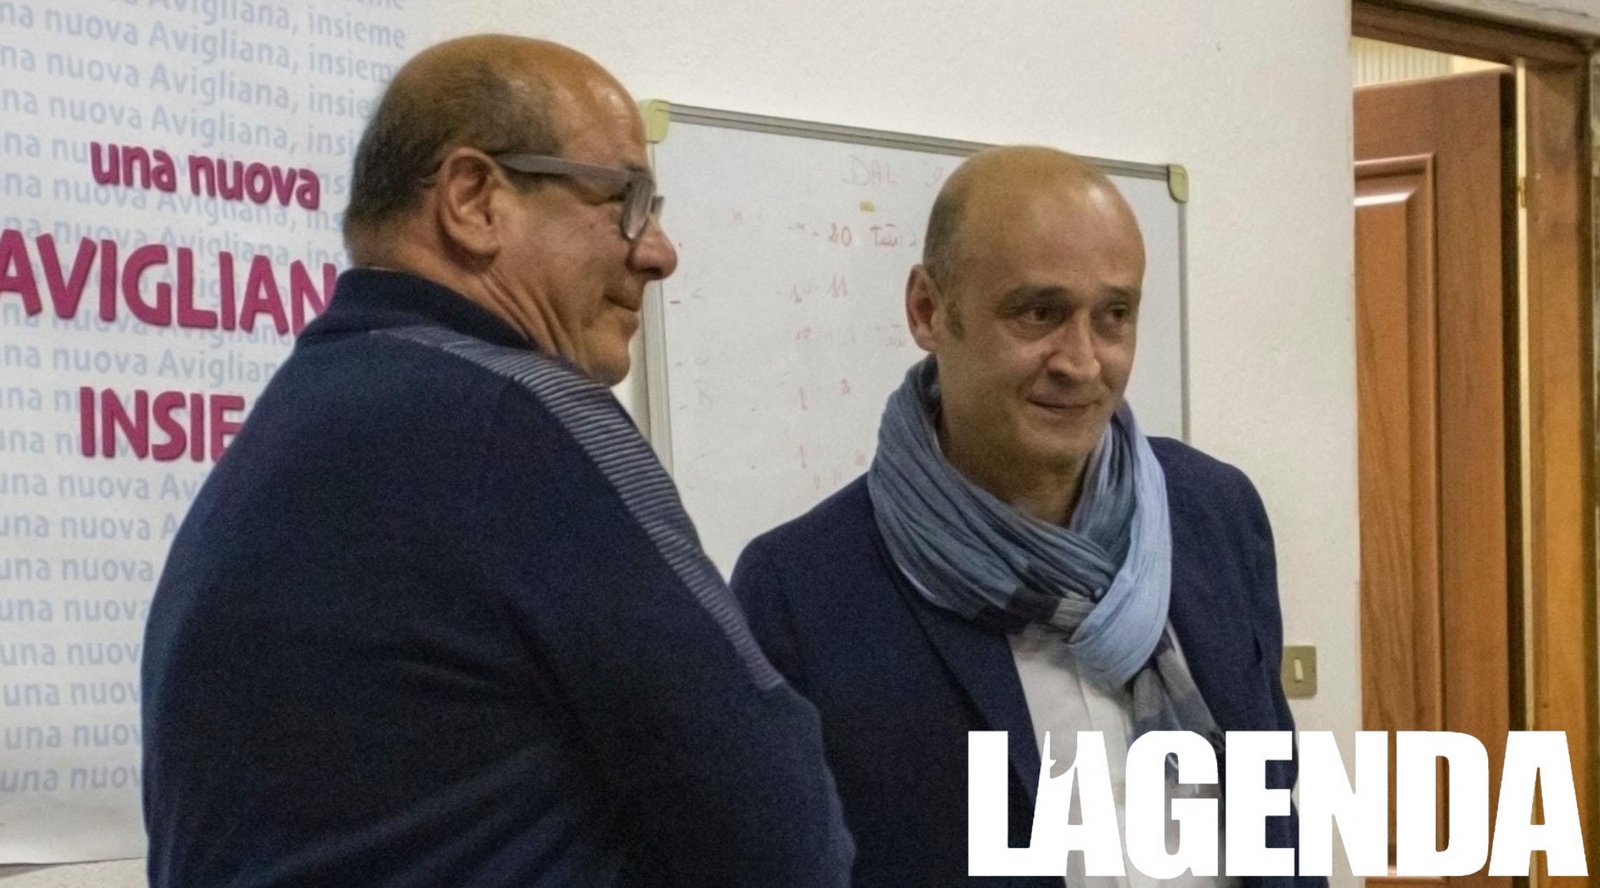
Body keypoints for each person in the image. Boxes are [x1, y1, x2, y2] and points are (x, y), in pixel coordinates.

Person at [141, 34, 851, 888]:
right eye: (625, 199)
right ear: (474, 200)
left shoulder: (288, 430)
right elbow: (782, 835)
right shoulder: (522, 421)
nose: (659, 252)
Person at [731, 146, 1320, 887]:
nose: (1082, 361)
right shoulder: (801, 590)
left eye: (1114, 316)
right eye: (1039, 313)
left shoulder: (1213, 512)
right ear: (927, 310)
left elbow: (1274, 803)